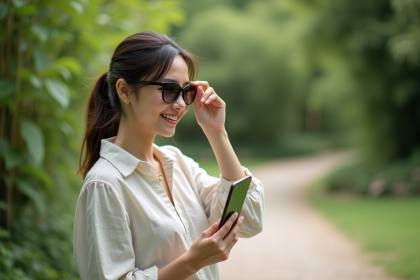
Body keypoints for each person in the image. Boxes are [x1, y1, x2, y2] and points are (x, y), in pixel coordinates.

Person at [73, 32, 264, 280]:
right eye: (169, 89)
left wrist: (217, 132)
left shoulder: (176, 162)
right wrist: (192, 262)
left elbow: (249, 221)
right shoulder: (105, 184)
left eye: (186, 91)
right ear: (125, 91)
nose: (181, 104)